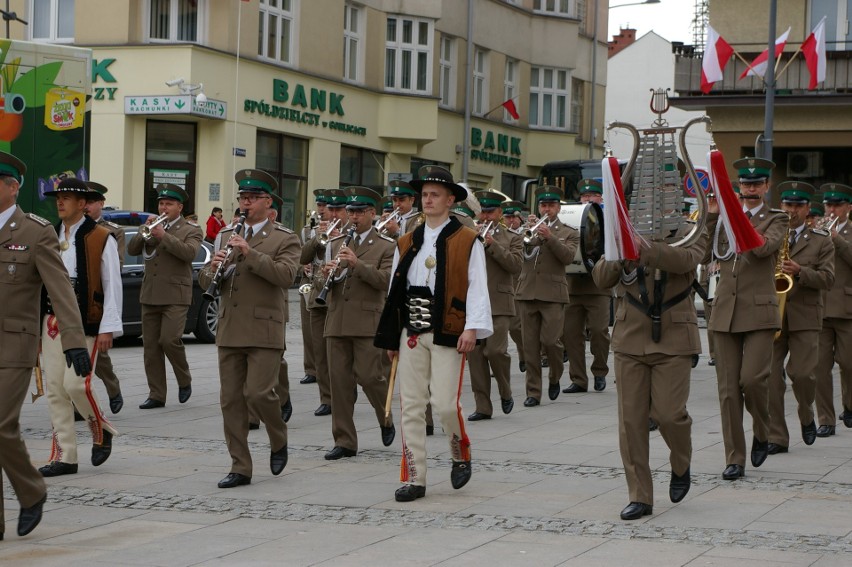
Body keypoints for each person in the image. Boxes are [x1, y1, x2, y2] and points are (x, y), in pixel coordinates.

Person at [375, 165, 492, 502]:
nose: (427, 200)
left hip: (450, 330)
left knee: (443, 404)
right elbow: (394, 290)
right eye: (424, 194)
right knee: (410, 405)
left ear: (450, 199)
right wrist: (390, 336)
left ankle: (459, 452)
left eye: (434, 194)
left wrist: (472, 327)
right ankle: (415, 477)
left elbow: (478, 287)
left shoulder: (468, 239)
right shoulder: (407, 240)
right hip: (410, 329)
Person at [0, 151, 90, 539]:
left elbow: (61, 291)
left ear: (12, 187)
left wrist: (74, 341)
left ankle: (31, 491)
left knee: (0, 425)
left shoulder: (36, 232)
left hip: (12, 347)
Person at [592, 218, 706, 520]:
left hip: (674, 336)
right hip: (631, 336)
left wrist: (646, 249)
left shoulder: (691, 228)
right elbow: (601, 278)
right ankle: (640, 495)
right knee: (631, 422)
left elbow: (687, 260)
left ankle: (681, 462)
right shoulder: (624, 229)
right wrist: (620, 255)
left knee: (670, 414)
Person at [199, 169, 299, 489]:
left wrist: (249, 253)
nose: (246, 203)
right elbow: (205, 278)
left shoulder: (286, 237)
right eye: (243, 197)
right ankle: (240, 466)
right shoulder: (226, 234)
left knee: (258, 394)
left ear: (268, 202)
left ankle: (278, 435)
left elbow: (286, 277)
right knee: (230, 400)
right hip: (230, 327)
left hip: (264, 328)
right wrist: (212, 268)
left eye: (253, 198)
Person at [706, 157, 788, 481]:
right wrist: (714, 217)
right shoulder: (724, 217)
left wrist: (735, 217)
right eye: (745, 184)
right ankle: (734, 457)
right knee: (728, 390)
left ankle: (763, 430)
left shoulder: (777, 218)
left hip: (759, 311)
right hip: (725, 309)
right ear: (738, 186)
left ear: (767, 186)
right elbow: (703, 252)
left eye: (756, 184)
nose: (750, 189)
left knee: (753, 380)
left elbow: (762, 249)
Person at [38, 178, 123, 477]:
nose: (60, 202)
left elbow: (113, 284)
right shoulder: (48, 233)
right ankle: (66, 456)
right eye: (58, 197)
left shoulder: (102, 236)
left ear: (83, 203)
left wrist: (107, 328)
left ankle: (101, 429)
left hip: (86, 319)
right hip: (50, 320)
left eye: (67, 197)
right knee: (55, 391)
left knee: (76, 384)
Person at [321, 186, 396, 460]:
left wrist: (357, 265)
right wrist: (323, 274)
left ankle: (385, 416)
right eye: (350, 211)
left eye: (360, 212)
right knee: (339, 383)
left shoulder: (386, 245)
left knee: (370, 377)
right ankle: (344, 441)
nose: (354, 217)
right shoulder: (335, 243)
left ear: (372, 213)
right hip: (337, 320)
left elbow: (386, 281)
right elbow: (321, 285)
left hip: (367, 322)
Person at [767, 182, 834, 454]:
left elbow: (828, 279)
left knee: (802, 374)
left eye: (797, 205)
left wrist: (800, 271)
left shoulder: (821, 239)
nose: (791, 210)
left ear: (807, 209)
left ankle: (806, 413)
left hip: (805, 315)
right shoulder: (771, 234)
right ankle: (777, 437)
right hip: (773, 314)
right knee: (769, 377)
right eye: (787, 205)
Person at [128, 184, 203, 409]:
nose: (164, 207)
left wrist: (163, 236)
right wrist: (145, 230)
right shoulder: (152, 226)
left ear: (179, 207)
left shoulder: (192, 229)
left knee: (169, 340)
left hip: (176, 294)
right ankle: (157, 394)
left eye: (169, 204)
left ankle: (184, 379)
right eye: (161, 203)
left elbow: (189, 253)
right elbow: (132, 250)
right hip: (150, 293)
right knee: (150, 348)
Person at [516, 185, 579, 406]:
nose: (547, 209)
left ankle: (554, 377)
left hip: (553, 294)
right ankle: (533, 392)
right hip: (527, 292)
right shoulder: (528, 228)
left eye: (551, 205)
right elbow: (519, 255)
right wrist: (527, 231)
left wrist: (550, 237)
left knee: (551, 342)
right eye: (543, 205)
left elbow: (568, 257)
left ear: (559, 207)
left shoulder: (569, 232)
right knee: (529, 345)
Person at [467, 190, 522, 421]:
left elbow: (516, 266)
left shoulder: (512, 237)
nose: (486, 217)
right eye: (483, 212)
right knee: (476, 356)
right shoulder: (468, 233)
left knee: (495, 351)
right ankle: (483, 406)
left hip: (499, 302)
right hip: (474, 302)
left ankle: (505, 390)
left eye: (490, 212)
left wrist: (492, 245)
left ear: (500, 213)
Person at [298, 188, 349, 416]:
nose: (332, 213)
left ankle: (346, 391)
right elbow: (304, 257)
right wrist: (318, 238)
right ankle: (326, 398)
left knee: (342, 354)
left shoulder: (352, 232)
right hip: (318, 297)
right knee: (319, 351)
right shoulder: (318, 231)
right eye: (330, 209)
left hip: (342, 299)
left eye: (338, 209)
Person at [562, 179, 612, 394]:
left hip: (598, 285)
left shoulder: (607, 220)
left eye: (593, 196)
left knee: (599, 331)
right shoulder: (570, 219)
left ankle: (599, 372)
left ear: (601, 198)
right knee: (571, 334)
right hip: (572, 285)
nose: (588, 199)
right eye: (585, 196)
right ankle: (578, 379)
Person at [247, 207, 295, 430]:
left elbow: (290, 271)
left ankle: (283, 398)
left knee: (277, 360)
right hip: (240, 315)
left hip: (273, 307)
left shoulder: (284, 236)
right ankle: (251, 416)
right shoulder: (230, 234)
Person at [84, 181, 125, 413]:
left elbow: (115, 266)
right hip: (73, 299)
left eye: (91, 202)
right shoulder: (69, 228)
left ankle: (112, 387)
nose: (86, 206)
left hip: (97, 298)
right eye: (84, 202)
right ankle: (77, 402)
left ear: (101, 203)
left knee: (98, 352)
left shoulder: (112, 231)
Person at [815, 183, 852, 434]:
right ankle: (826, 420)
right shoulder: (814, 231)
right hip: (819, 306)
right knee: (818, 367)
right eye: (828, 204)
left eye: (837, 205)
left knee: (849, 363)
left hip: (847, 307)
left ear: (848, 207)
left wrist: (837, 239)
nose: (831, 209)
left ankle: (849, 406)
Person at [297, 190, 329, 385]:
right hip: (309, 281)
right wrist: (303, 266)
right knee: (308, 329)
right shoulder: (307, 231)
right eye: (319, 205)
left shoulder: (338, 229)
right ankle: (311, 369)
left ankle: (327, 368)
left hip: (327, 280)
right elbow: (299, 254)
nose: (322, 209)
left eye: (325, 206)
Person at [502, 200, 526, 372]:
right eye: (507, 217)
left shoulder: (526, 233)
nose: (510, 221)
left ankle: (529, 355)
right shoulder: (501, 234)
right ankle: (522, 355)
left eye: (513, 217)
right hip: (506, 284)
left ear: (520, 218)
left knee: (520, 326)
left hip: (523, 283)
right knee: (510, 327)